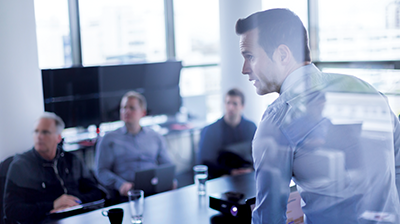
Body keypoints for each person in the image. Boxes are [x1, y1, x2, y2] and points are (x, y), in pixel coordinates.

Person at [236, 8, 400, 223]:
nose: (244, 69)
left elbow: (269, 218)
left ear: (283, 54)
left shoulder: (276, 123)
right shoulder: (367, 90)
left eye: (250, 56)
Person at [3, 112, 105, 223]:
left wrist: (74, 201)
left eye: (45, 132)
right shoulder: (21, 165)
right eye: (36, 131)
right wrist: (52, 205)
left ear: (58, 138)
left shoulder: (72, 160)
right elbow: (11, 210)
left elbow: (96, 192)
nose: (39, 136)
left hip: (77, 218)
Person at [95, 91, 174, 199]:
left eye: (132, 108)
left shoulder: (156, 137)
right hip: (125, 193)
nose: (126, 111)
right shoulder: (109, 139)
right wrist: (120, 184)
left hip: (154, 190)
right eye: (123, 108)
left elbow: (167, 165)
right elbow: (101, 171)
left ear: (143, 113)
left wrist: (170, 180)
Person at [197, 88, 257, 179]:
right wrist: (230, 172)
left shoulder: (251, 128)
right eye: (228, 103)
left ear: (242, 106)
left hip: (247, 176)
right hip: (221, 177)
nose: (230, 107)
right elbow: (205, 161)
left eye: (235, 104)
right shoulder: (211, 130)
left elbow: (259, 155)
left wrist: (251, 169)